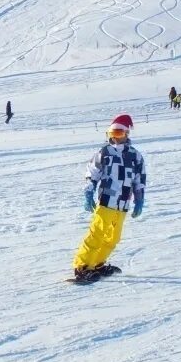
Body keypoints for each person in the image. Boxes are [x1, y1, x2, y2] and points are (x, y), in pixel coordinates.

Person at [72, 114, 146, 283]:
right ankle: (82, 266)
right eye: (111, 134)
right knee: (97, 234)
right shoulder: (104, 152)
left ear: (126, 134)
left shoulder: (135, 156)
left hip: (123, 203)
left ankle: (97, 263)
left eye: (118, 134)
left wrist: (139, 199)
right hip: (106, 200)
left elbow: (139, 179)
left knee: (113, 237)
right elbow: (92, 173)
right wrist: (89, 192)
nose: (114, 138)